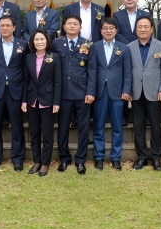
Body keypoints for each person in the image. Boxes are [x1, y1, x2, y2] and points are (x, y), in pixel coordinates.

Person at [52, 14, 97, 174]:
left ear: (80, 27)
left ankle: (80, 160)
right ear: (64, 27)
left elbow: (92, 69)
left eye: (75, 24)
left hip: (82, 93)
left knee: (83, 128)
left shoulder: (87, 44)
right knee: (62, 127)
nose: (72, 26)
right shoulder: (56, 43)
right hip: (62, 93)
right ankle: (64, 158)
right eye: (69, 23)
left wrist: (91, 92)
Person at [0, 15, 28, 171]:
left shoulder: (22, 45)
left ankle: (18, 159)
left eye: (8, 25)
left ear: (14, 28)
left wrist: (24, 95)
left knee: (17, 127)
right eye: (2, 25)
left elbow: (25, 70)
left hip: (16, 90)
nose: (5, 28)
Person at [128, 16, 161, 171]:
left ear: (152, 28)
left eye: (146, 26)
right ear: (136, 29)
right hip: (136, 92)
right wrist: (128, 90)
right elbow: (128, 70)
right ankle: (142, 157)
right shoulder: (130, 47)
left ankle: (157, 158)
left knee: (155, 126)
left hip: (154, 92)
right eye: (140, 27)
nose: (143, 29)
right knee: (138, 126)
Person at [93, 17, 132, 171]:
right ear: (101, 30)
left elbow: (127, 71)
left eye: (111, 28)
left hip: (118, 92)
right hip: (99, 91)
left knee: (117, 126)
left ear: (116, 30)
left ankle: (116, 158)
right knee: (98, 126)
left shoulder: (124, 48)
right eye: (105, 28)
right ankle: (98, 157)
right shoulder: (94, 47)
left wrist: (127, 90)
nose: (108, 31)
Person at [22, 29, 62, 177]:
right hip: (32, 100)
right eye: (36, 39)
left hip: (48, 100)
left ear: (47, 41)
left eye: (42, 39)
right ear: (32, 42)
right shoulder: (28, 57)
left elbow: (58, 81)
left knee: (47, 133)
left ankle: (45, 163)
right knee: (34, 133)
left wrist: (56, 102)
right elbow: (26, 81)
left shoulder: (54, 57)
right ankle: (36, 161)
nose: (39, 42)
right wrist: (24, 100)